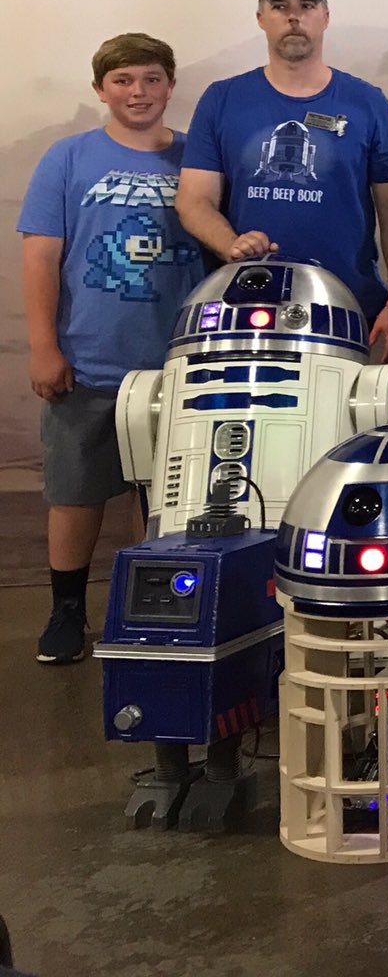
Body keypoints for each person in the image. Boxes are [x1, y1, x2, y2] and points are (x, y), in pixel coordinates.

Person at [18, 33, 205, 663]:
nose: (139, 93)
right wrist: (44, 345)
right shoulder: (68, 157)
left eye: (152, 79)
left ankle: (146, 609)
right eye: (124, 80)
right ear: (101, 89)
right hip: (91, 357)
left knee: (164, 495)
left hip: (179, 362)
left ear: (170, 86)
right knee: (75, 491)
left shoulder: (196, 157)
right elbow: (42, 255)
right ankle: (67, 612)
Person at [176, 0, 388, 359]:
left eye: (306, 5)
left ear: (325, 17)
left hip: (345, 310)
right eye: (279, 6)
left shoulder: (367, 103)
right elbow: (193, 200)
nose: (293, 16)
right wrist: (232, 244)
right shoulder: (222, 99)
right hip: (240, 308)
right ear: (261, 18)